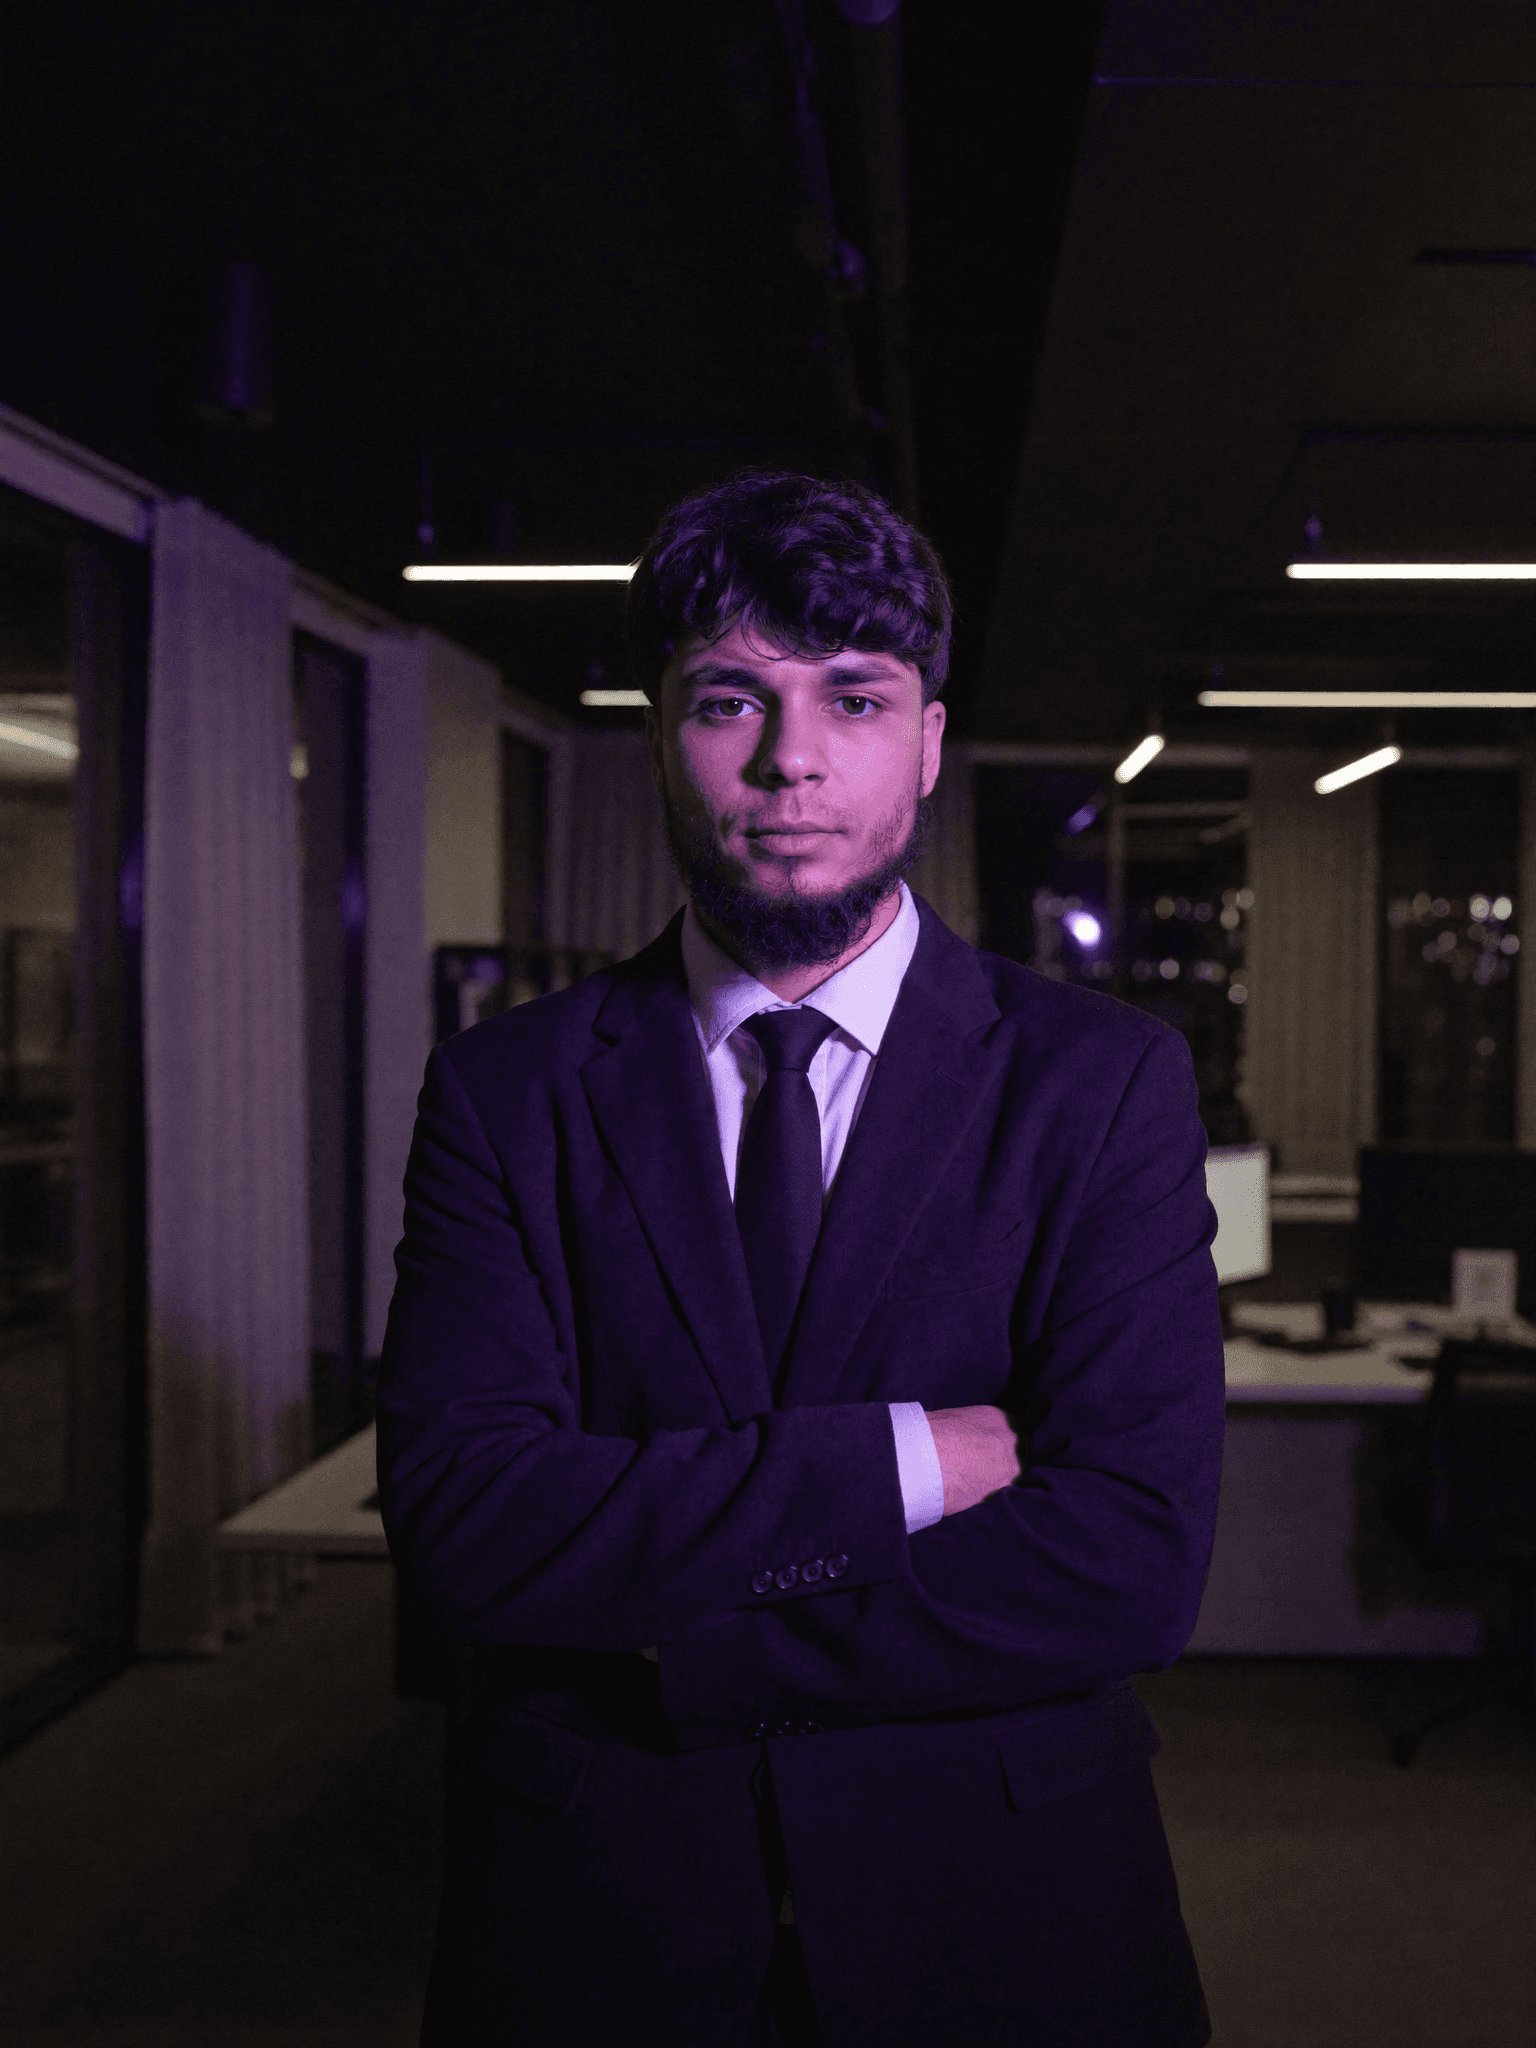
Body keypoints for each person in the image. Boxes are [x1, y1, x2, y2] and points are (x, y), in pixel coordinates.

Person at [376, 470, 1225, 2048]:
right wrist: (905, 1460)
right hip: (596, 1913)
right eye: (727, 700)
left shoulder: (1102, 1080)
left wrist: (662, 1623)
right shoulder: (506, 1091)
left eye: (852, 695)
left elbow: (1129, 1563)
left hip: (1005, 1905)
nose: (790, 760)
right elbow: (467, 1531)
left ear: (926, 740)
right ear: (658, 733)